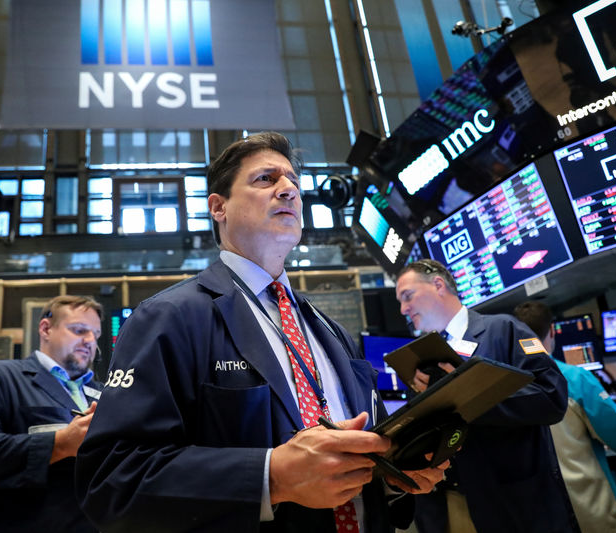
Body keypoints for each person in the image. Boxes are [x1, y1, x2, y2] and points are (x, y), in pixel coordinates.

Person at [75, 132, 448, 533]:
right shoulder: (169, 317)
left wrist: (394, 478)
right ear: (218, 207)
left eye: (292, 181)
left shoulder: (331, 331)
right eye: (265, 180)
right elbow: (111, 480)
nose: (288, 190)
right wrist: (270, 476)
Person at [395, 259, 578, 533]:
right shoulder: (427, 360)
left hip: (523, 505)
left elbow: (551, 397)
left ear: (438, 284)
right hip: (461, 506)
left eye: (407, 296)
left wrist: (465, 393)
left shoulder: (505, 329)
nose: (403, 309)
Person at [0, 295, 104, 533]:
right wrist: (58, 444)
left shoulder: (103, 393)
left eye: (95, 335)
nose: (90, 341)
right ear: (46, 328)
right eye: (79, 330)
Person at [514, 301, 616, 533]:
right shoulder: (573, 378)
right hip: (592, 509)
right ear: (552, 331)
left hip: (541, 514)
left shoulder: (507, 385)